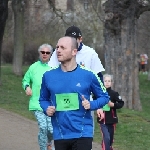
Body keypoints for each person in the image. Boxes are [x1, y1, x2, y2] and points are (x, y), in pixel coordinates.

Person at [39, 36, 109, 150]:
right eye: (57, 47)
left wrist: (91, 105)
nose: (58, 50)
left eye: (62, 47)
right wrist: (47, 108)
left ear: (74, 51)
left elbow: (104, 97)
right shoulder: (48, 76)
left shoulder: (89, 75)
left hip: (83, 133)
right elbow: (43, 99)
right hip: (60, 134)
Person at [48, 25, 105, 133]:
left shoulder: (90, 53)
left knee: (84, 134)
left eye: (74, 40)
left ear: (80, 39)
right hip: (62, 98)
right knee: (62, 132)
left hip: (85, 102)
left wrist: (98, 105)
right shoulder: (59, 53)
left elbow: (99, 79)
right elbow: (50, 75)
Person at [22, 44, 54, 150]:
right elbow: (25, 80)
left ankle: (49, 142)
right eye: (42, 52)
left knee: (51, 129)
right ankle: (43, 148)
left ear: (51, 54)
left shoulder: (55, 67)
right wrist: (27, 87)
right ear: (39, 53)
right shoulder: (33, 67)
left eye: (47, 52)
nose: (45, 54)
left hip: (51, 105)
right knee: (43, 127)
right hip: (37, 103)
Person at [97, 74, 124, 150]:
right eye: (105, 81)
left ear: (111, 82)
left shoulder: (114, 93)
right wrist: (98, 107)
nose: (107, 83)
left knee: (110, 139)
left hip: (112, 120)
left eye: (109, 81)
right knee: (106, 137)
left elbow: (121, 103)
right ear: (102, 82)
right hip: (102, 120)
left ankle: (109, 147)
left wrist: (113, 104)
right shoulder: (99, 93)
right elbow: (93, 101)